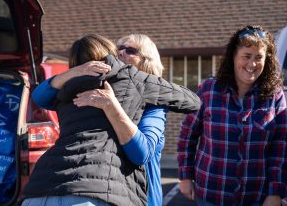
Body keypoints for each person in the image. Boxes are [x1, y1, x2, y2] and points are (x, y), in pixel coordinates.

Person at [22, 34, 200, 206]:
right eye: (118, 48)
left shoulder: (150, 100)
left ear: (147, 60)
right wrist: (76, 72)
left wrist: (111, 106)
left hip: (134, 193)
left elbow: (142, 153)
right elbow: (40, 97)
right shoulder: (81, 88)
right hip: (103, 191)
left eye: (130, 50)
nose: (120, 52)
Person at [177, 25, 287, 206]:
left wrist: (276, 192)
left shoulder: (274, 95)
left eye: (258, 57)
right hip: (211, 194)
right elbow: (187, 135)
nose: (252, 64)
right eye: (246, 56)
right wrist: (185, 176)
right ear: (233, 56)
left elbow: (280, 148)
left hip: (257, 197)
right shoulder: (209, 90)